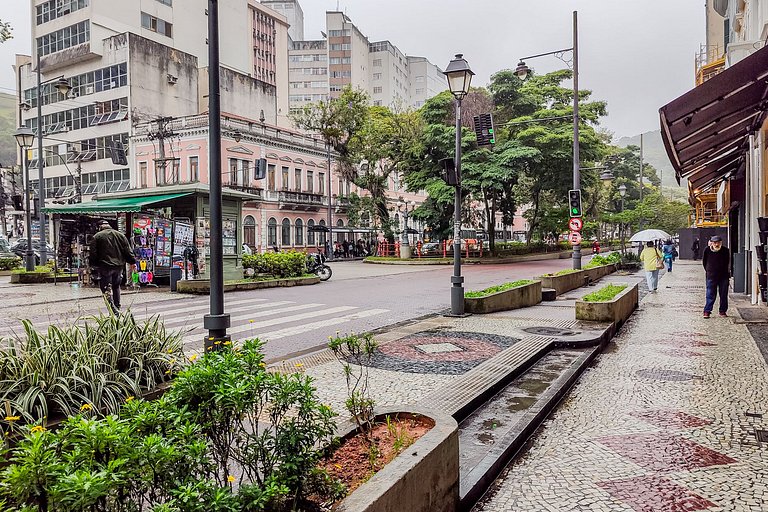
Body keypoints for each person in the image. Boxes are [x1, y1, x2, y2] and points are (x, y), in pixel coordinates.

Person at [89, 220, 136, 314]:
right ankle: (117, 307)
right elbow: (127, 250)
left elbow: (93, 253)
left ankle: (112, 310)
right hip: (119, 266)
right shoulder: (120, 235)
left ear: (99, 227)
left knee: (106, 289)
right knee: (116, 286)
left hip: (105, 266)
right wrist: (132, 261)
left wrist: (93, 266)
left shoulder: (97, 236)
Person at [702, 235, 730, 318]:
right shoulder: (707, 250)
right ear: (711, 243)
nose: (716, 244)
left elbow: (727, 262)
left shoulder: (725, 250)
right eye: (714, 242)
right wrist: (708, 270)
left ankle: (722, 311)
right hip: (711, 276)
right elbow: (704, 261)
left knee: (723, 294)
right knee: (710, 294)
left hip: (723, 276)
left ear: (721, 243)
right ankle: (707, 311)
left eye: (718, 242)